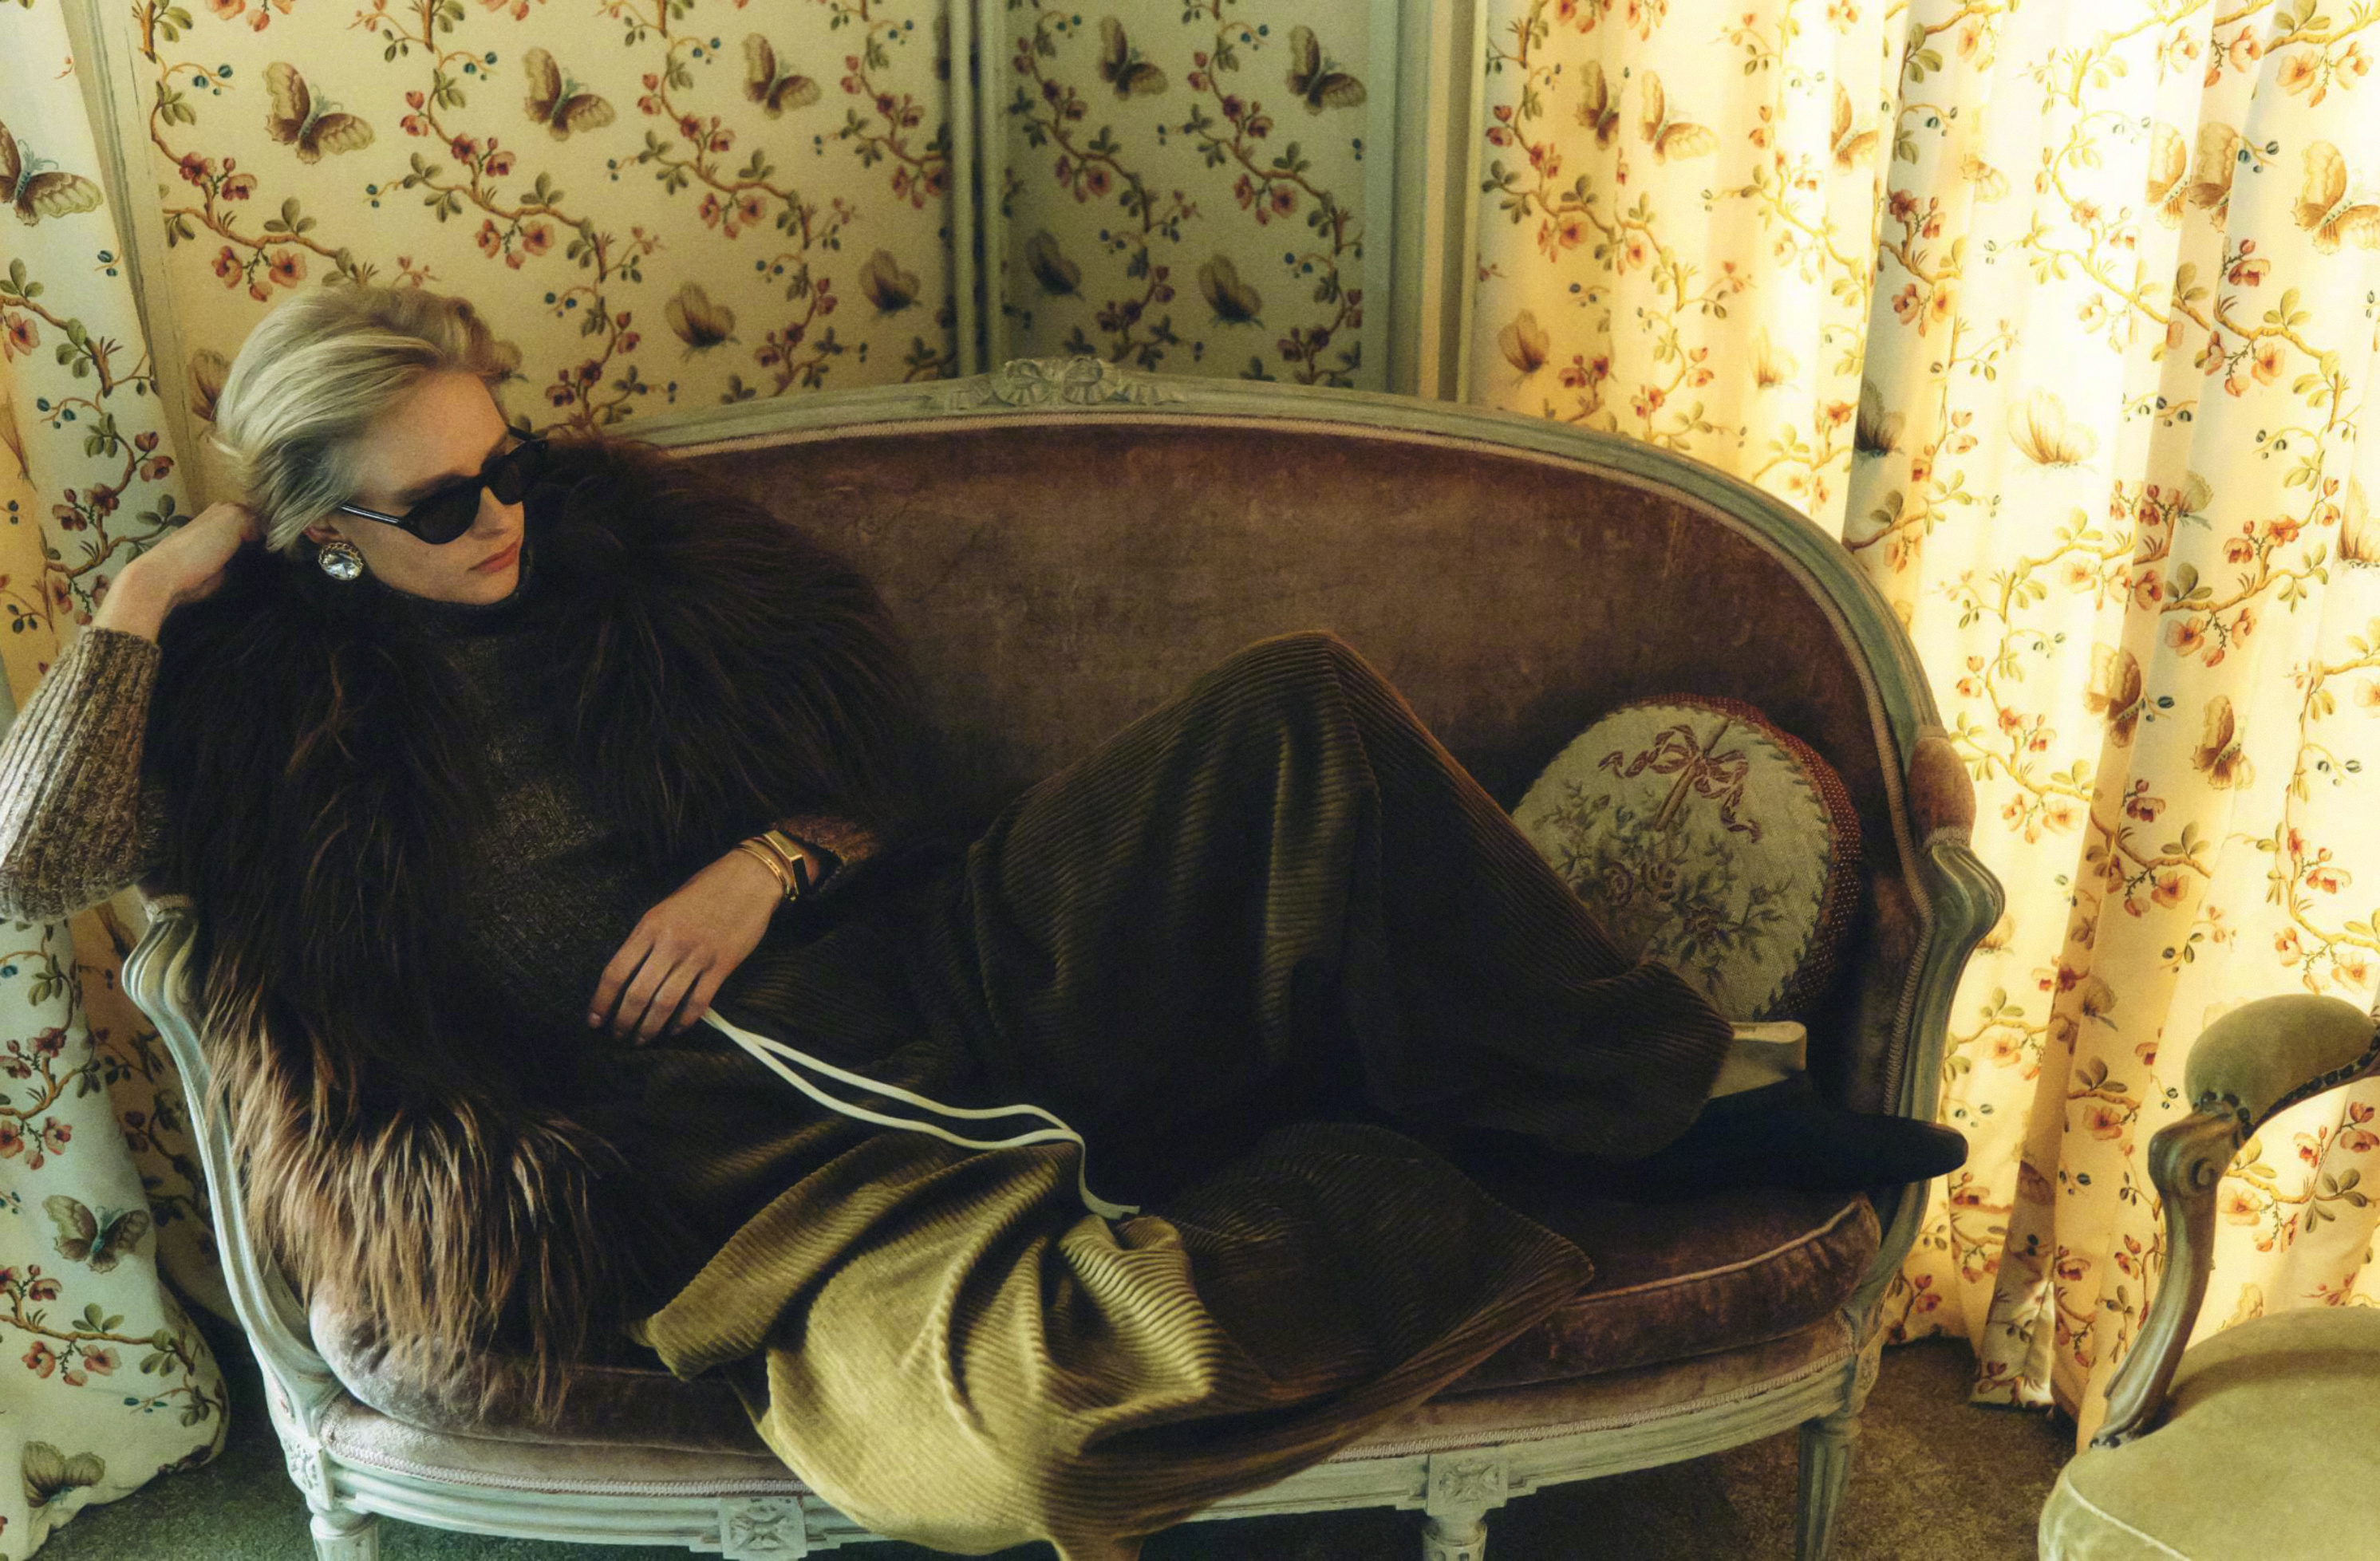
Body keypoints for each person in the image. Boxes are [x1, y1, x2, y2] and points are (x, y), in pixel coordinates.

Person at [0, 286, 1961, 1559]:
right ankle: (1412, 1158)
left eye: (502, 463)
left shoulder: (647, 574)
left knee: (1297, 706)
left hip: (946, 966)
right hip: (758, 1188)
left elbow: (893, 791)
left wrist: (767, 864)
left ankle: (1658, 1104)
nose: (500, 516)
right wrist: (152, 593)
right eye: (437, 507)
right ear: (327, 536)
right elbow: (31, 859)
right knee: (1035, 1441)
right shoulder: (273, 729)